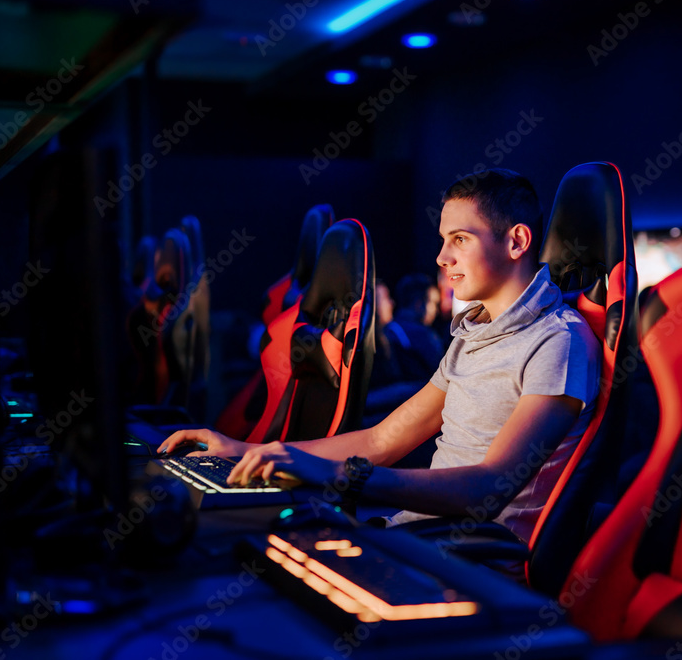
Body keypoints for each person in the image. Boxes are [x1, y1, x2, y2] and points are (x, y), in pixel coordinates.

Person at [159, 168, 600, 543]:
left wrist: (340, 475)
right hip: (418, 535)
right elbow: (382, 440)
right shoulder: (473, 335)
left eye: (460, 239)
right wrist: (245, 451)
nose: (442, 256)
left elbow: (488, 487)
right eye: (443, 239)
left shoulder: (557, 342)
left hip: (472, 558)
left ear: (517, 241)